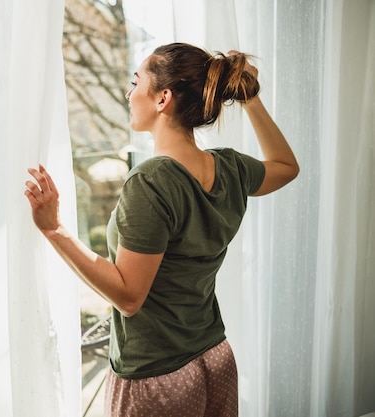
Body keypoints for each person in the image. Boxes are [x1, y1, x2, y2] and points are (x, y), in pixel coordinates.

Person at [24, 42, 299, 417]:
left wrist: (54, 229)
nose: (128, 93)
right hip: (215, 359)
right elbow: (286, 165)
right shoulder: (230, 168)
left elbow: (128, 297)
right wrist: (250, 100)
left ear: (162, 98)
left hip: (158, 378)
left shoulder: (151, 182)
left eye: (136, 82)